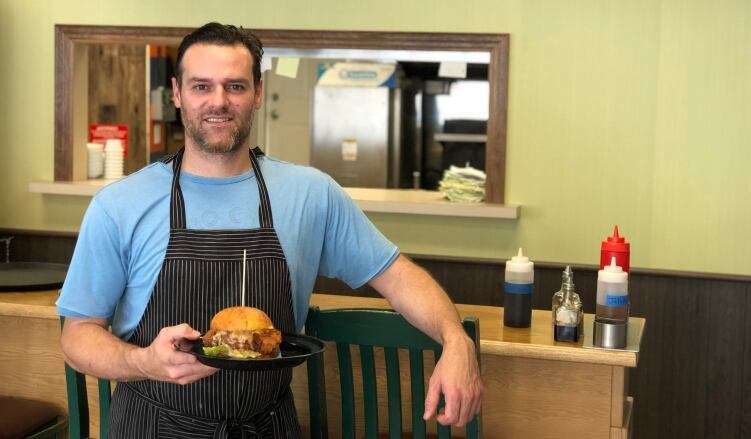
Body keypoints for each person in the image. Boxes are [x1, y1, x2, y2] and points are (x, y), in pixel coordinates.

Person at [58, 22, 482, 438]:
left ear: (258, 93)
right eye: (201, 86)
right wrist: (143, 363)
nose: (218, 101)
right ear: (177, 93)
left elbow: (399, 276)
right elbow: (78, 336)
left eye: (235, 86)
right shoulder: (119, 205)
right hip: (153, 426)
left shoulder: (310, 193)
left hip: (267, 425)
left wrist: (456, 340)